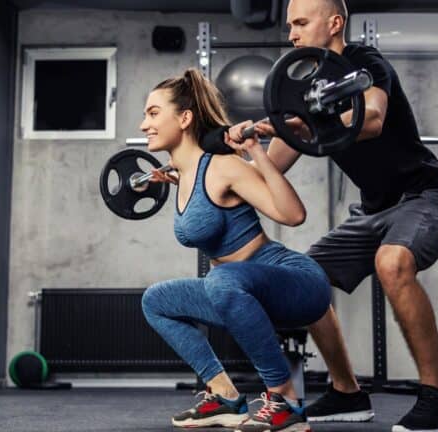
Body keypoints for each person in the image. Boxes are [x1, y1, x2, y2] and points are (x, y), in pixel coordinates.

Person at [227, 0, 438, 431]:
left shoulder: (363, 62)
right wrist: (207, 170)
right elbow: (270, 169)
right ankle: (346, 392)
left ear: (334, 23)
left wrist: (296, 123)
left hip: (426, 197)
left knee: (391, 262)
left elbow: (370, 118)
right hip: (373, 212)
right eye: (289, 26)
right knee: (307, 279)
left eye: (300, 23)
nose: (292, 34)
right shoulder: (305, 89)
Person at [139, 67, 329, 432]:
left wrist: (256, 151)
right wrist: (172, 177)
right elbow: (199, 202)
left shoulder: (224, 166)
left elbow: (293, 214)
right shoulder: (184, 174)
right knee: (156, 301)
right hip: (234, 288)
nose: (144, 123)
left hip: (297, 283)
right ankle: (224, 396)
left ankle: (286, 401)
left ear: (185, 118)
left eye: (152, 113)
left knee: (221, 280)